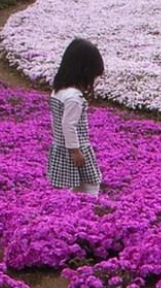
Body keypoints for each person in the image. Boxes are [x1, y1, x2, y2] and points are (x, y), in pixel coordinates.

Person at [48, 38, 104, 196]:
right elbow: (68, 125)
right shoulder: (74, 97)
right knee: (92, 181)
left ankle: (73, 205)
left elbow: (57, 121)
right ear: (84, 72)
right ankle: (89, 208)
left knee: (77, 181)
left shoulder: (58, 91)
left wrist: (60, 141)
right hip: (77, 147)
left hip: (61, 145)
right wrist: (75, 150)